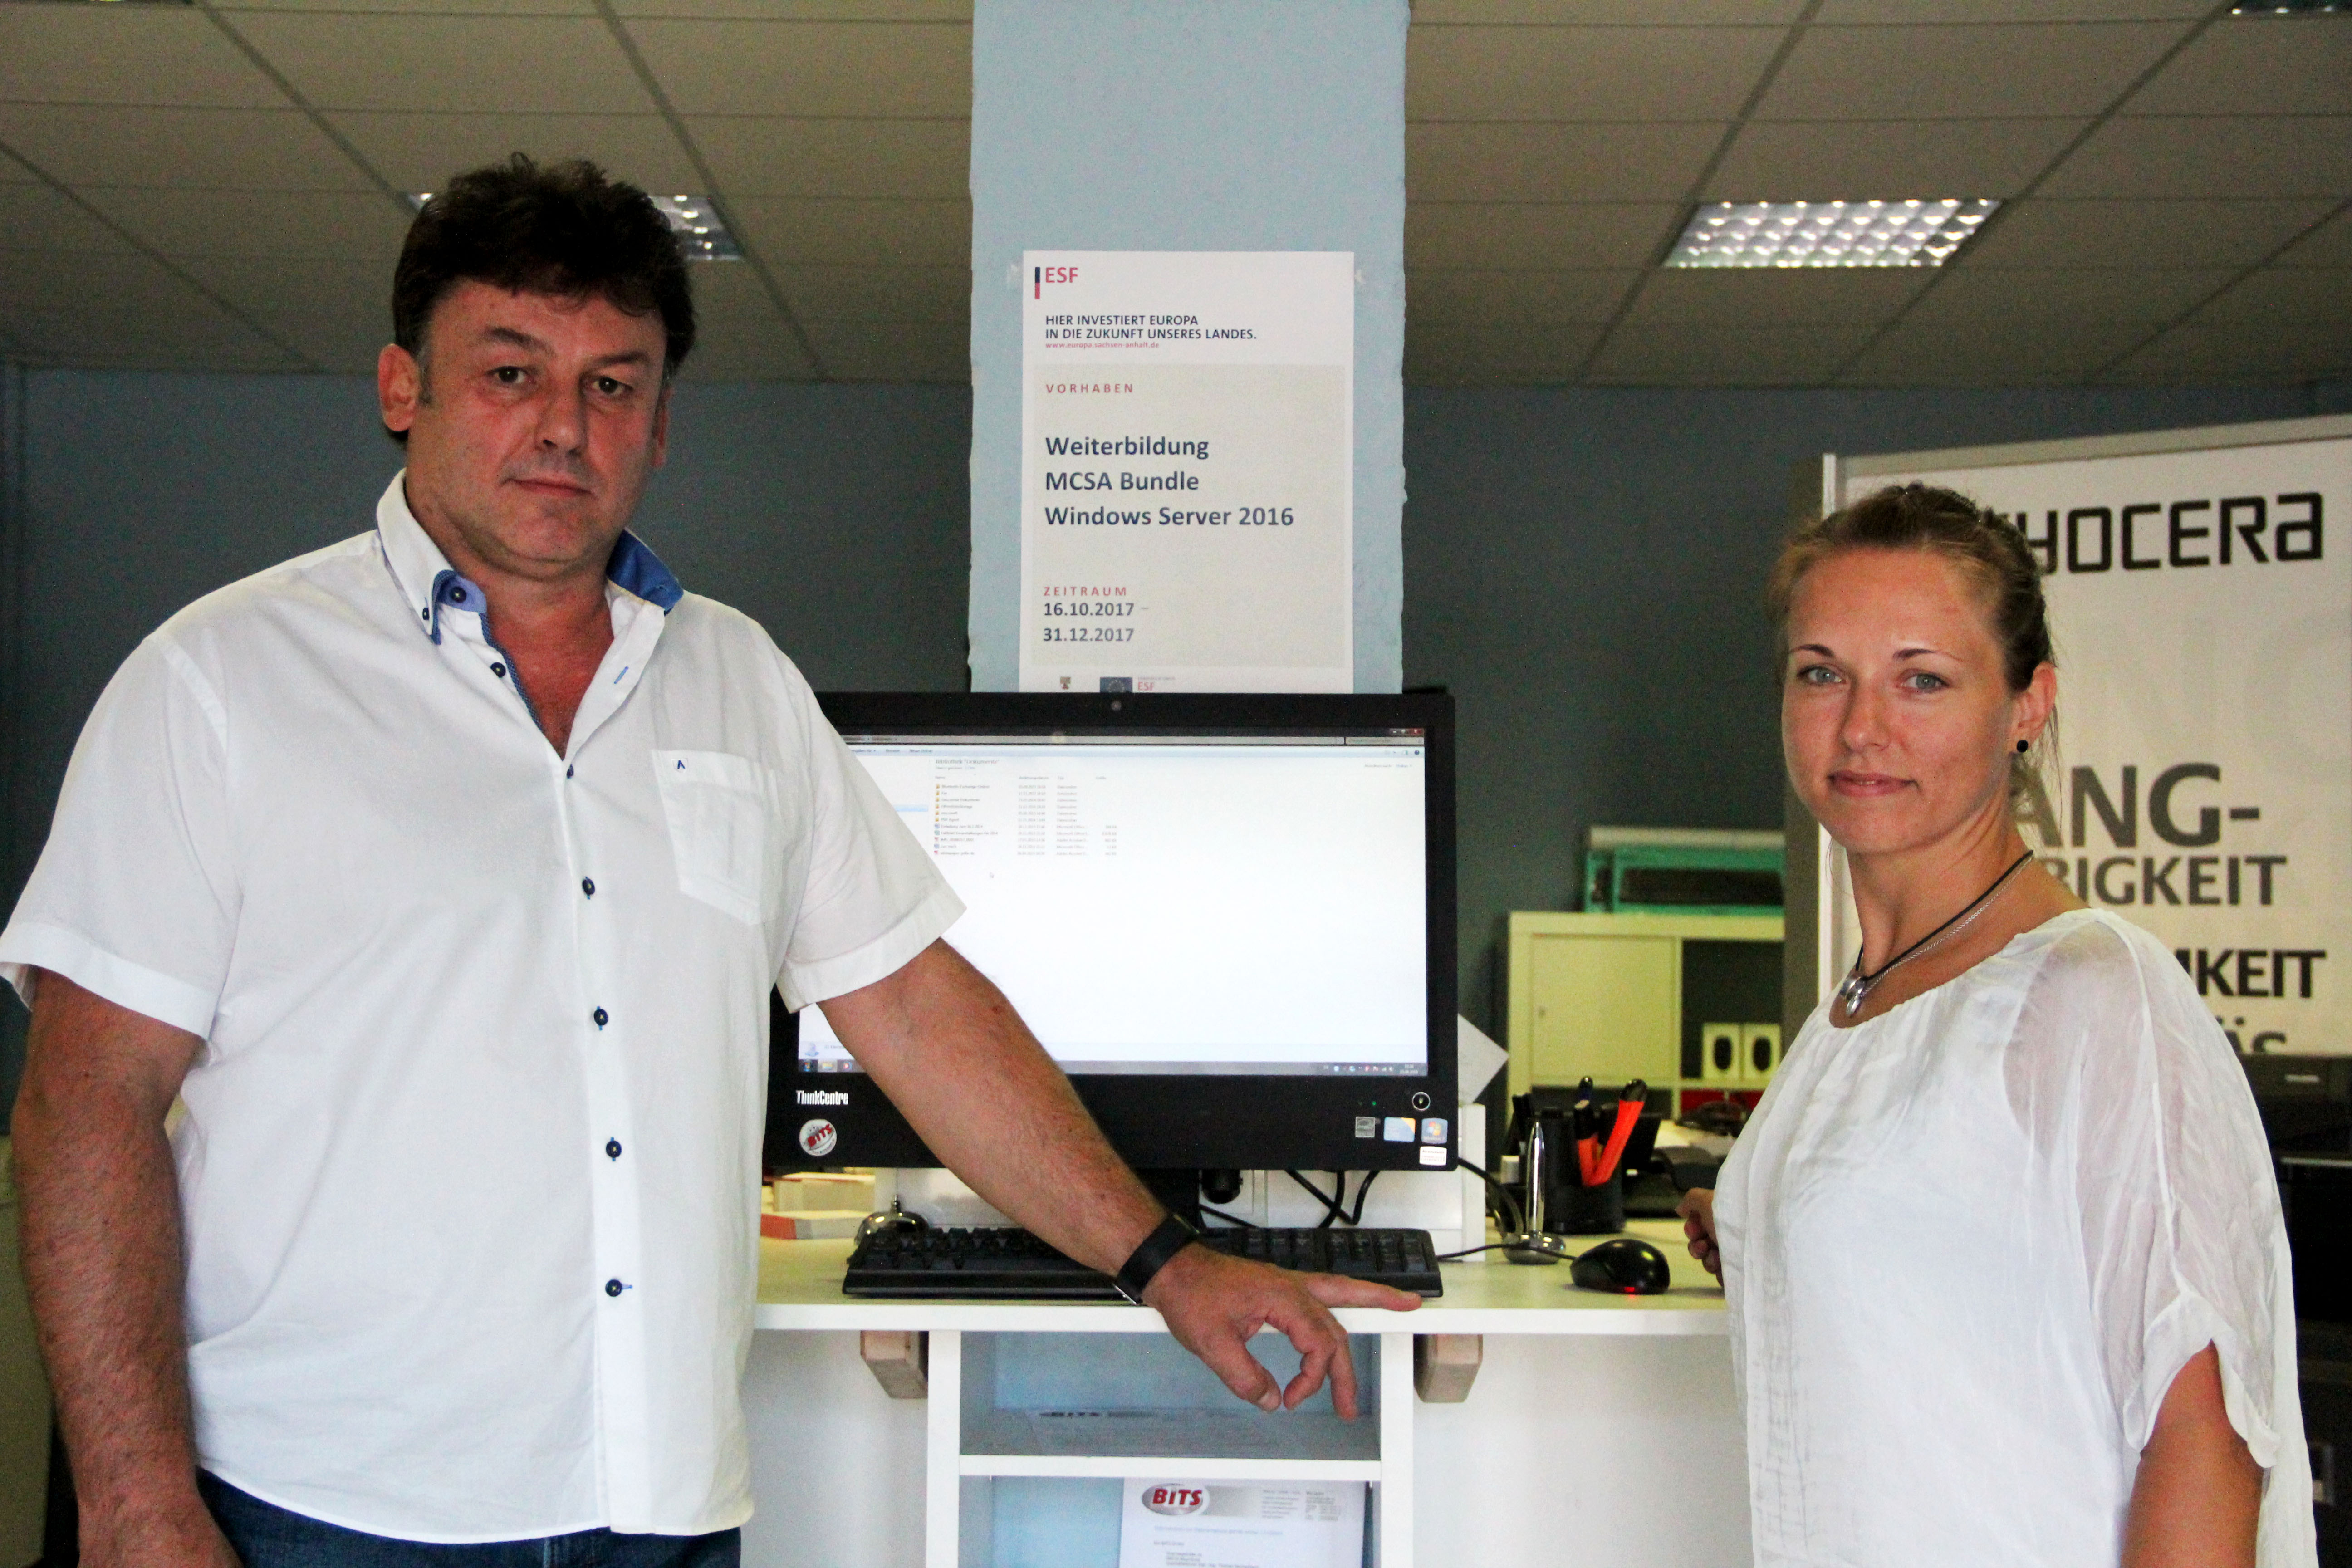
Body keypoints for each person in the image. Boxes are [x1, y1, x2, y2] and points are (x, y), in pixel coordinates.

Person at [3, 156, 1416, 1568]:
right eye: (510, 372)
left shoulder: (736, 679)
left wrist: (1167, 1262)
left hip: (664, 1506)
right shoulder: (221, 683)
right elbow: (86, 1103)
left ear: (660, 427)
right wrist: (133, 1502)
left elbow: (912, 1008)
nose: (564, 424)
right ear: (402, 390)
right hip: (335, 1508)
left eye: (613, 385)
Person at [1678, 482, 2313, 1568]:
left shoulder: (2091, 991)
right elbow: (1964, 1270)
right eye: (1821, 673)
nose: (1862, 726)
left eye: (1922, 679)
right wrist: (1764, 1218)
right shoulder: (1853, 1009)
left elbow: (2206, 1440)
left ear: (2027, 703)